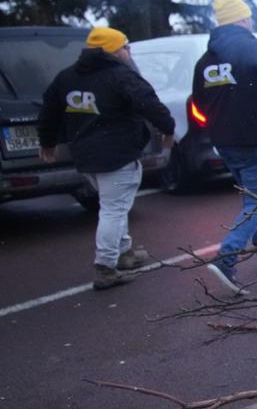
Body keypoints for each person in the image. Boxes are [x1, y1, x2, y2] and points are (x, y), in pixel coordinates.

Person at [37, 27, 176, 290]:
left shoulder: (67, 77)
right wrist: (169, 129)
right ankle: (105, 267)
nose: (129, 52)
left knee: (115, 204)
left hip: (86, 155)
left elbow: (49, 110)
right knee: (113, 209)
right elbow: (150, 104)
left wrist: (47, 141)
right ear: (114, 50)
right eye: (126, 47)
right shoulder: (121, 76)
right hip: (117, 154)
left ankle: (124, 253)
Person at [191, 0, 257, 294]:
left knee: (252, 201)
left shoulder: (205, 61)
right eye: (249, 18)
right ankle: (227, 258)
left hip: (225, 142)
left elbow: (198, 103)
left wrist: (217, 127)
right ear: (243, 20)